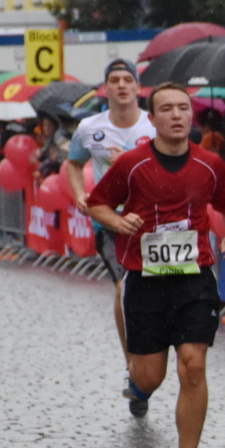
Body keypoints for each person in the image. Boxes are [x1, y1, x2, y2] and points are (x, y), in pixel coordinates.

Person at [83, 83, 225, 448]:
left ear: (191, 115)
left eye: (183, 108)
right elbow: (96, 203)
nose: (176, 115)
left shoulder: (210, 163)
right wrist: (118, 222)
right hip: (146, 280)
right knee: (151, 377)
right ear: (151, 119)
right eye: (166, 109)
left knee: (194, 364)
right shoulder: (132, 163)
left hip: (194, 278)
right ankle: (138, 387)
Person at [67, 58, 158, 415]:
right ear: (104, 89)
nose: (121, 85)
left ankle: (152, 362)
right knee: (124, 288)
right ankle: (132, 365)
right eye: (114, 80)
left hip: (151, 221)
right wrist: (80, 194)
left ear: (137, 87)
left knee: (155, 295)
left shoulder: (153, 124)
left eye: (127, 80)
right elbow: (74, 164)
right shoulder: (89, 127)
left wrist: (135, 160)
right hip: (109, 221)